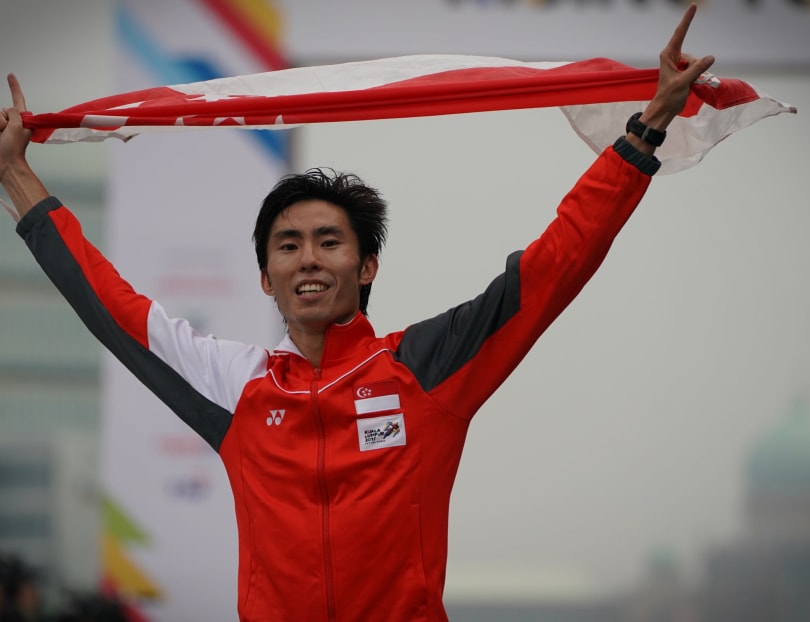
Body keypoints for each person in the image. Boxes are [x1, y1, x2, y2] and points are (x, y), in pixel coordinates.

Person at [1, 5, 715, 622]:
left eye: (328, 242)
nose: (308, 259)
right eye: (288, 245)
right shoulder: (235, 386)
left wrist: (646, 128)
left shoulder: (423, 367)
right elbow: (111, 308)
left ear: (365, 267)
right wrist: (16, 175)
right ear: (265, 279)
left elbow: (553, 268)